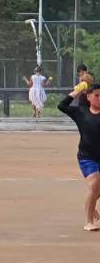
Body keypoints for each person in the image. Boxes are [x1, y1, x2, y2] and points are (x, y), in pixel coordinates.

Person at [58, 84, 100, 231]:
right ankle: (89, 221)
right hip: (87, 157)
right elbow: (61, 106)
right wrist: (76, 92)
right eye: (97, 95)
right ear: (88, 97)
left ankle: (92, 203)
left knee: (96, 190)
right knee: (95, 185)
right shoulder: (81, 112)